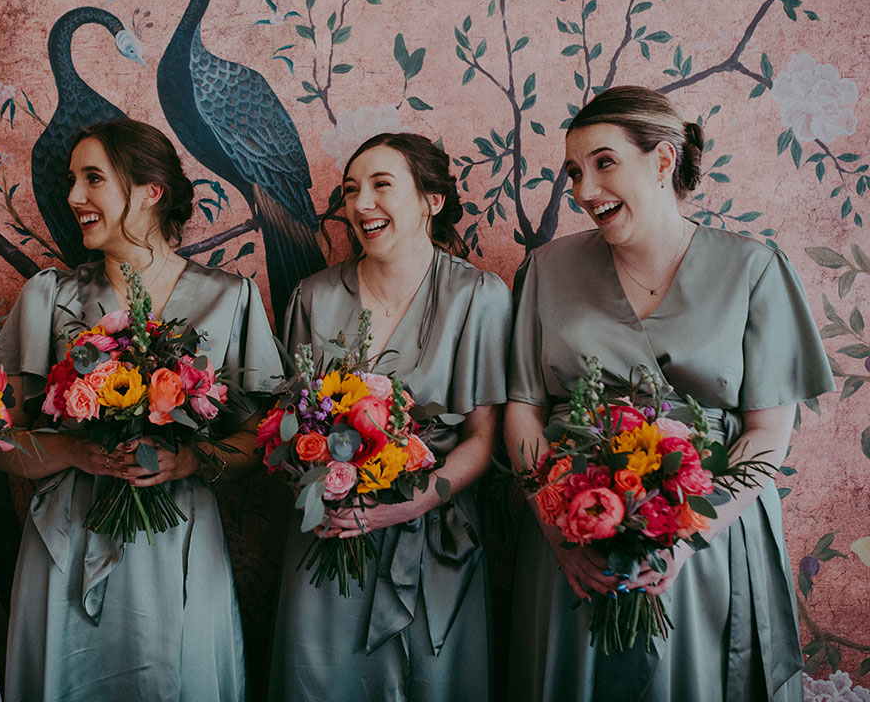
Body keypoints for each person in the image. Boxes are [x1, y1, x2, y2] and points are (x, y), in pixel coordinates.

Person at [505, 85, 833, 701]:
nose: (583, 190)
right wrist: (558, 531)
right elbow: (524, 412)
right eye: (575, 171)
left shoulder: (754, 269)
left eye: (604, 163)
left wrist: (689, 534)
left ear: (661, 161)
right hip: (573, 537)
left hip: (710, 535)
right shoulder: (546, 270)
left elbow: (768, 430)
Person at [0, 119, 281, 701]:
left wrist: (187, 461)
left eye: (93, 178)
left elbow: (262, 440)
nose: (74, 197)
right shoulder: (48, 296)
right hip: (66, 539)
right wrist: (77, 451)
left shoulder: (231, 298)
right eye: (74, 179)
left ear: (152, 192)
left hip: (174, 535)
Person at [267, 133, 511, 701]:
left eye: (381, 185)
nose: (361, 204)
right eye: (351, 191)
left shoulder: (479, 297)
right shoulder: (311, 297)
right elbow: (286, 426)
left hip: (435, 536)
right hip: (330, 535)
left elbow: (483, 438)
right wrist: (319, 484)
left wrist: (416, 500)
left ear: (432, 200)